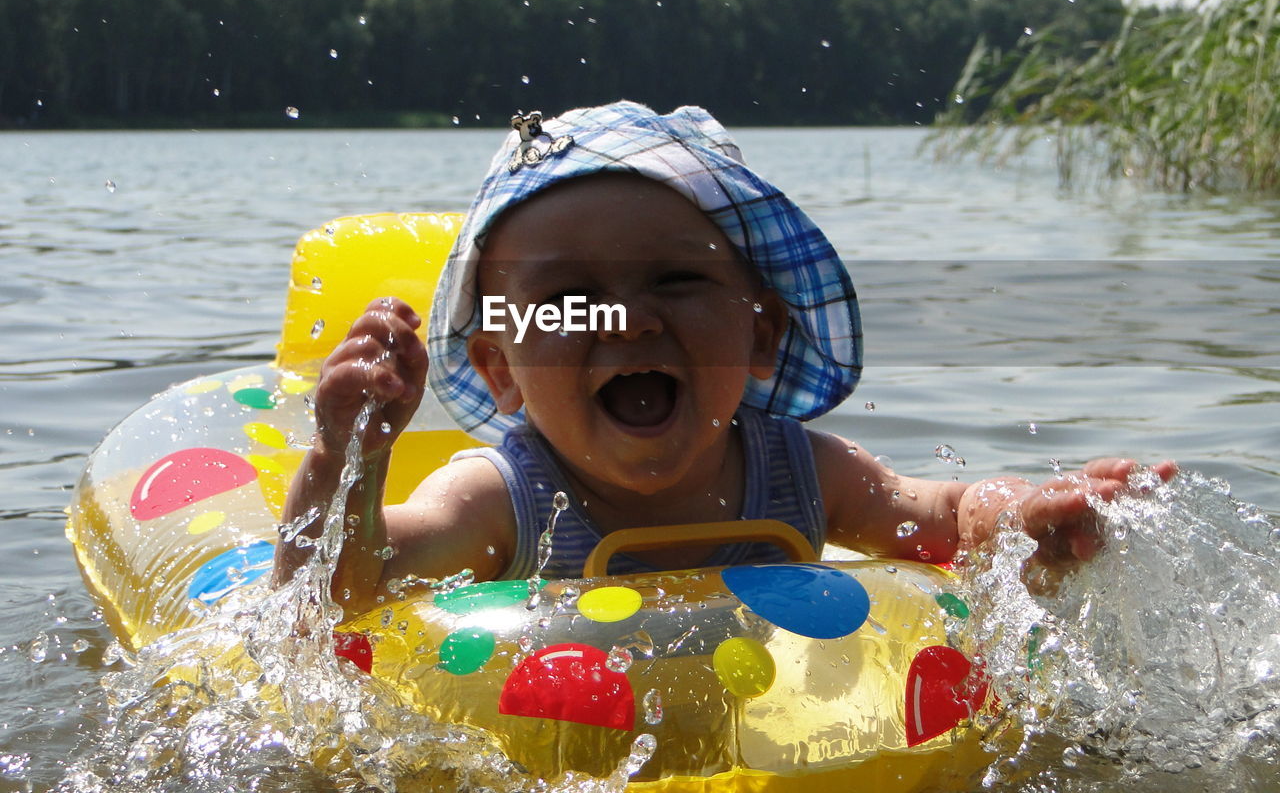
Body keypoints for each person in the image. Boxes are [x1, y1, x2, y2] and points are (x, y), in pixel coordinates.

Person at [271, 101, 1174, 616]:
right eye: (567, 296)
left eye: (674, 279)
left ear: (762, 334)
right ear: (501, 368)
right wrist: (346, 461)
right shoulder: (500, 499)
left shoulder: (794, 468)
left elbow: (938, 513)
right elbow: (349, 590)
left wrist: (1029, 515)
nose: (626, 320)